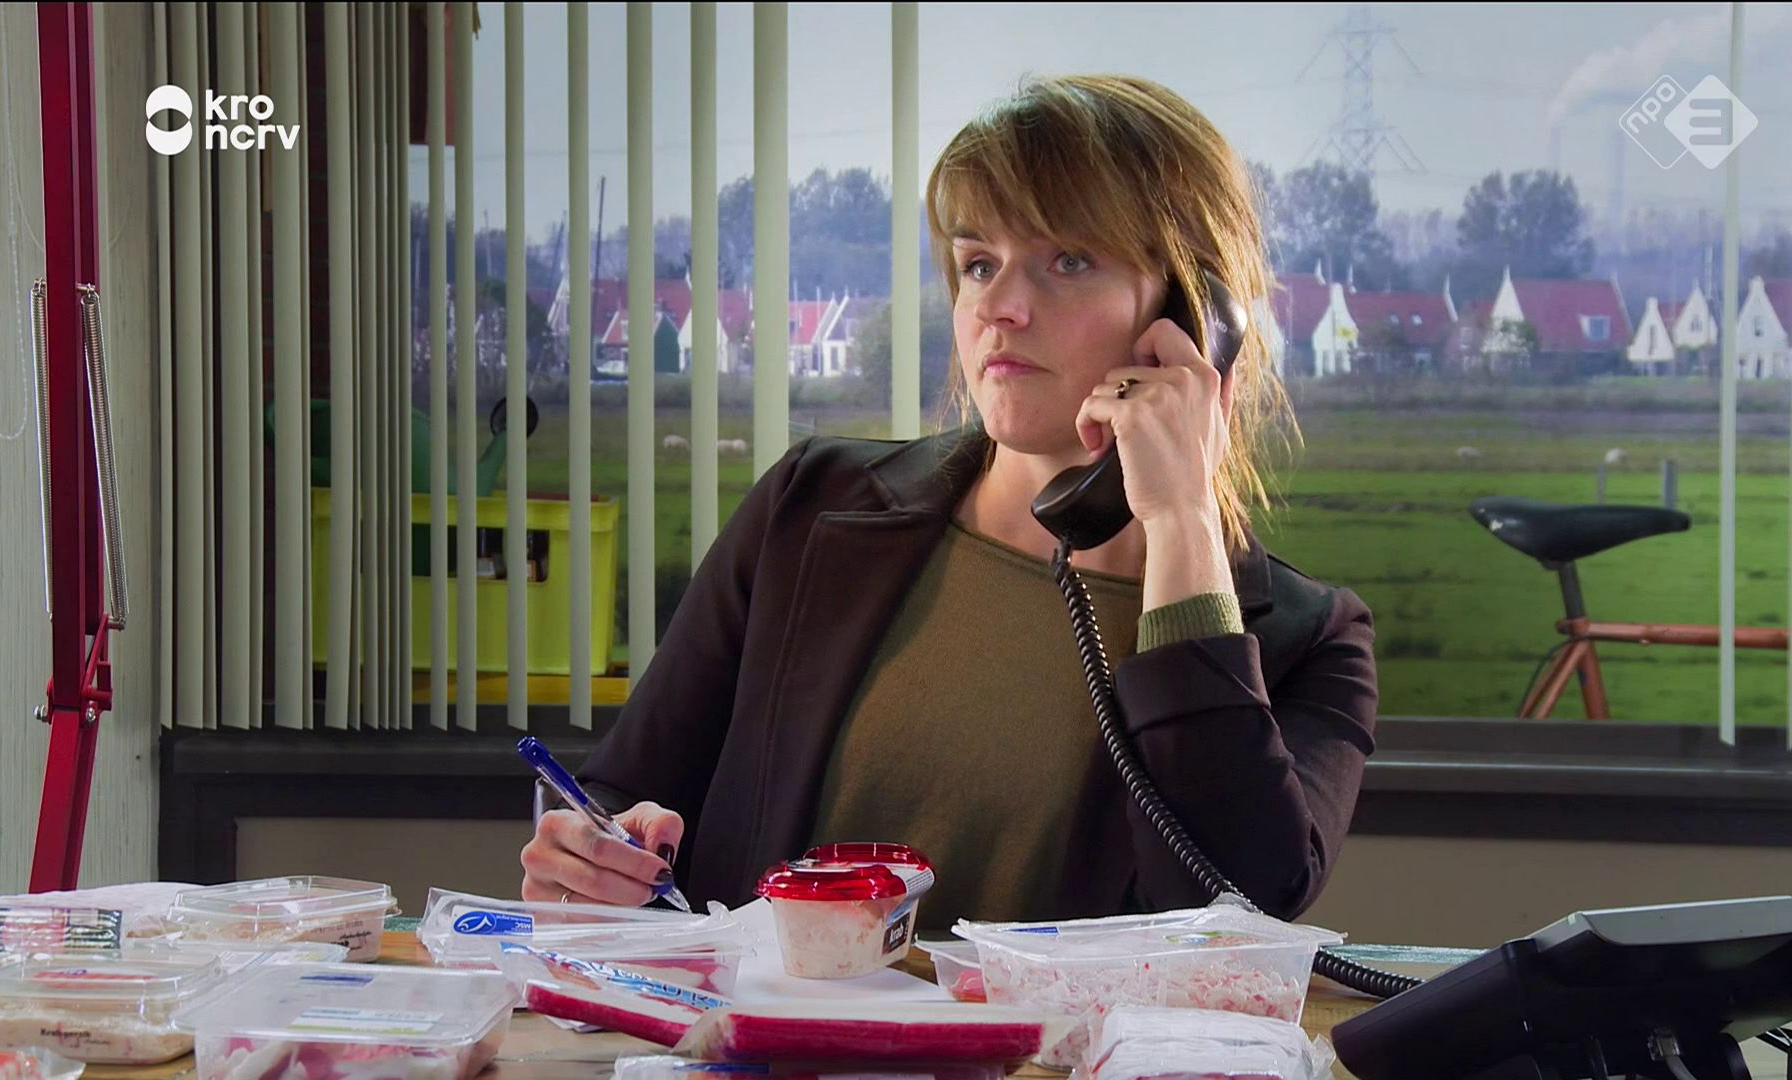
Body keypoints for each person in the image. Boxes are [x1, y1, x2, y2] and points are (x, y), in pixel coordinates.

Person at [519, 74, 1378, 932]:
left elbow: (1229, 922)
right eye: (979, 264)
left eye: (1069, 260)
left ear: (1193, 316)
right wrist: (591, 860)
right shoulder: (807, 508)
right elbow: (621, 795)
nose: (999, 308)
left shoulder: (1310, 641)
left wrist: (1182, 520)